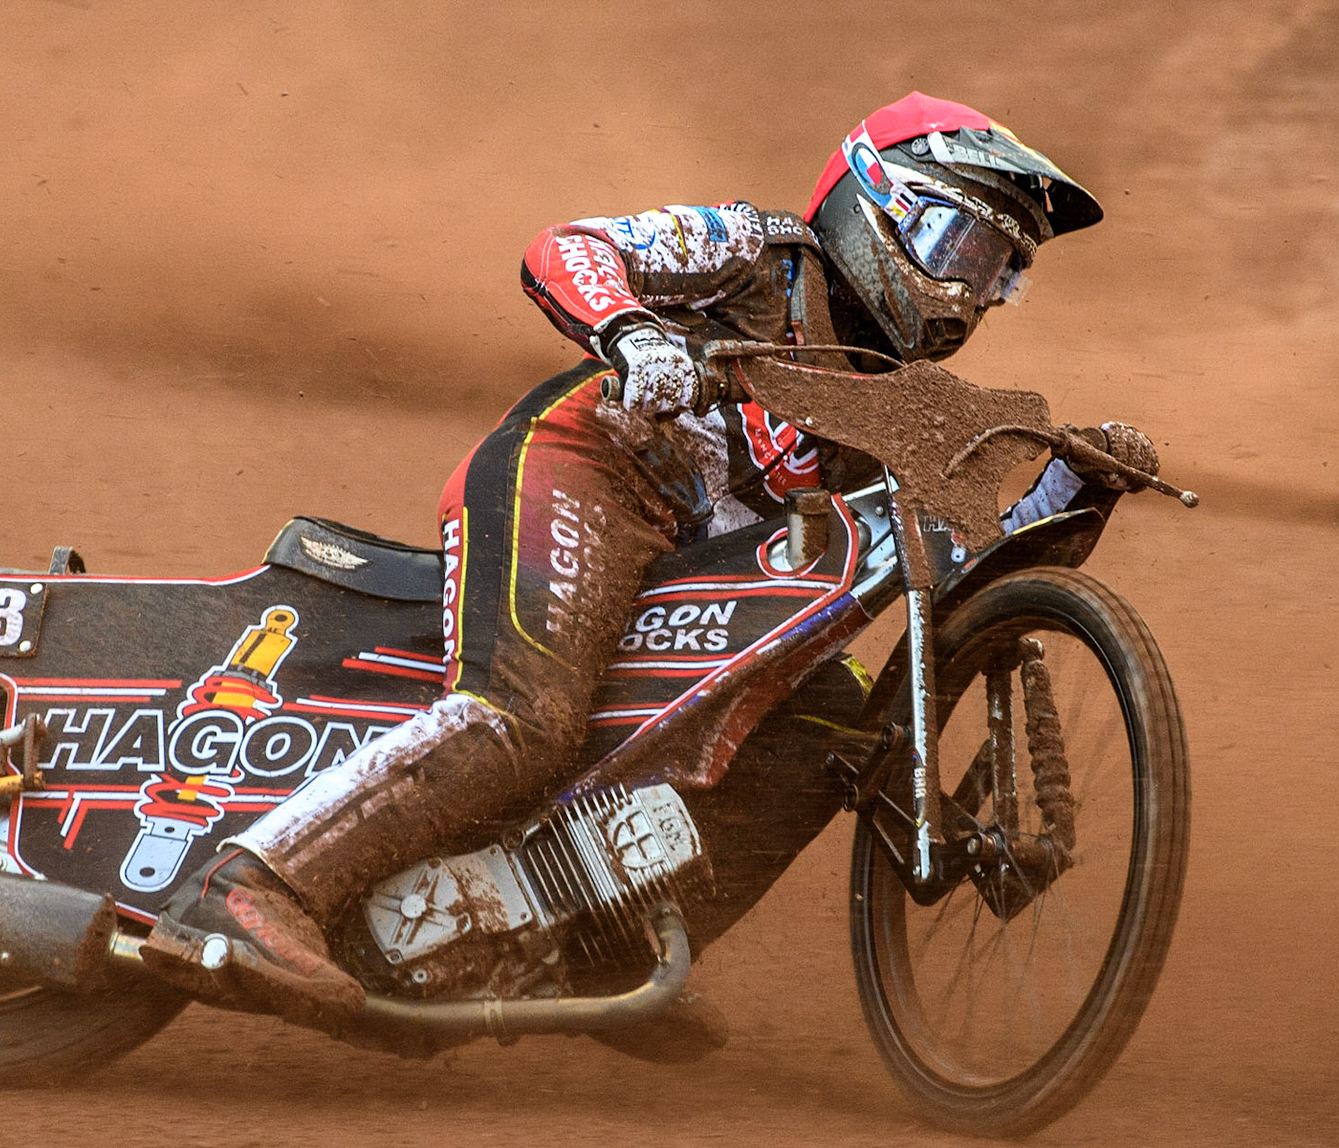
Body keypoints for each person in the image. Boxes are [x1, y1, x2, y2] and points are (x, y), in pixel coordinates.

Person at [141, 91, 1157, 1032]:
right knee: (525, 717)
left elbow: (966, 564)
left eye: (996, 271)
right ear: (870, 201)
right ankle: (250, 887)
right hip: (591, 467)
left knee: (829, 729)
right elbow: (569, 247)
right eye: (956, 244)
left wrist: (1075, 483)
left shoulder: (905, 398)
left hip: (709, 572)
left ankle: (597, 943)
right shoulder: (758, 251)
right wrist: (631, 331)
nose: (964, 292)